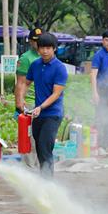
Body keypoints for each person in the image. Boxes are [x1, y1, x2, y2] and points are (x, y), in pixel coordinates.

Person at [18, 32, 68, 177]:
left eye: (48, 48)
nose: (45, 51)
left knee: (45, 148)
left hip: (53, 114)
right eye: (42, 48)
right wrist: (21, 98)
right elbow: (25, 83)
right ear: (37, 49)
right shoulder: (35, 65)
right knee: (39, 149)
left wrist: (40, 107)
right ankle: (44, 178)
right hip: (37, 113)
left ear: (54, 49)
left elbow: (56, 94)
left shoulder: (59, 68)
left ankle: (48, 185)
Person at [15, 28, 43, 167]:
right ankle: (30, 167)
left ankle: (41, 166)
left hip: (45, 103)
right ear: (31, 42)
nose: (38, 44)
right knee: (30, 137)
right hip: (31, 103)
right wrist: (19, 102)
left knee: (42, 137)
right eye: (35, 41)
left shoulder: (48, 56)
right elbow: (20, 82)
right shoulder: (26, 58)